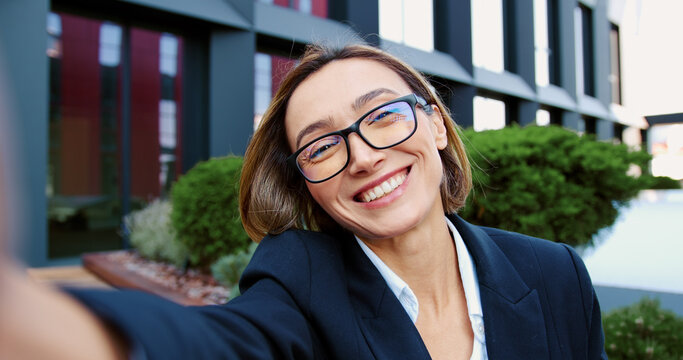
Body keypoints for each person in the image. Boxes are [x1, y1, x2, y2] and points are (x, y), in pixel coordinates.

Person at [0, 44, 607, 359]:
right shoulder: (300, 279)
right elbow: (223, 348)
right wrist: (23, 318)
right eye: (322, 147)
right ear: (308, 183)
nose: (364, 155)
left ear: (437, 127)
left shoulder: (554, 273)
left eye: (384, 116)